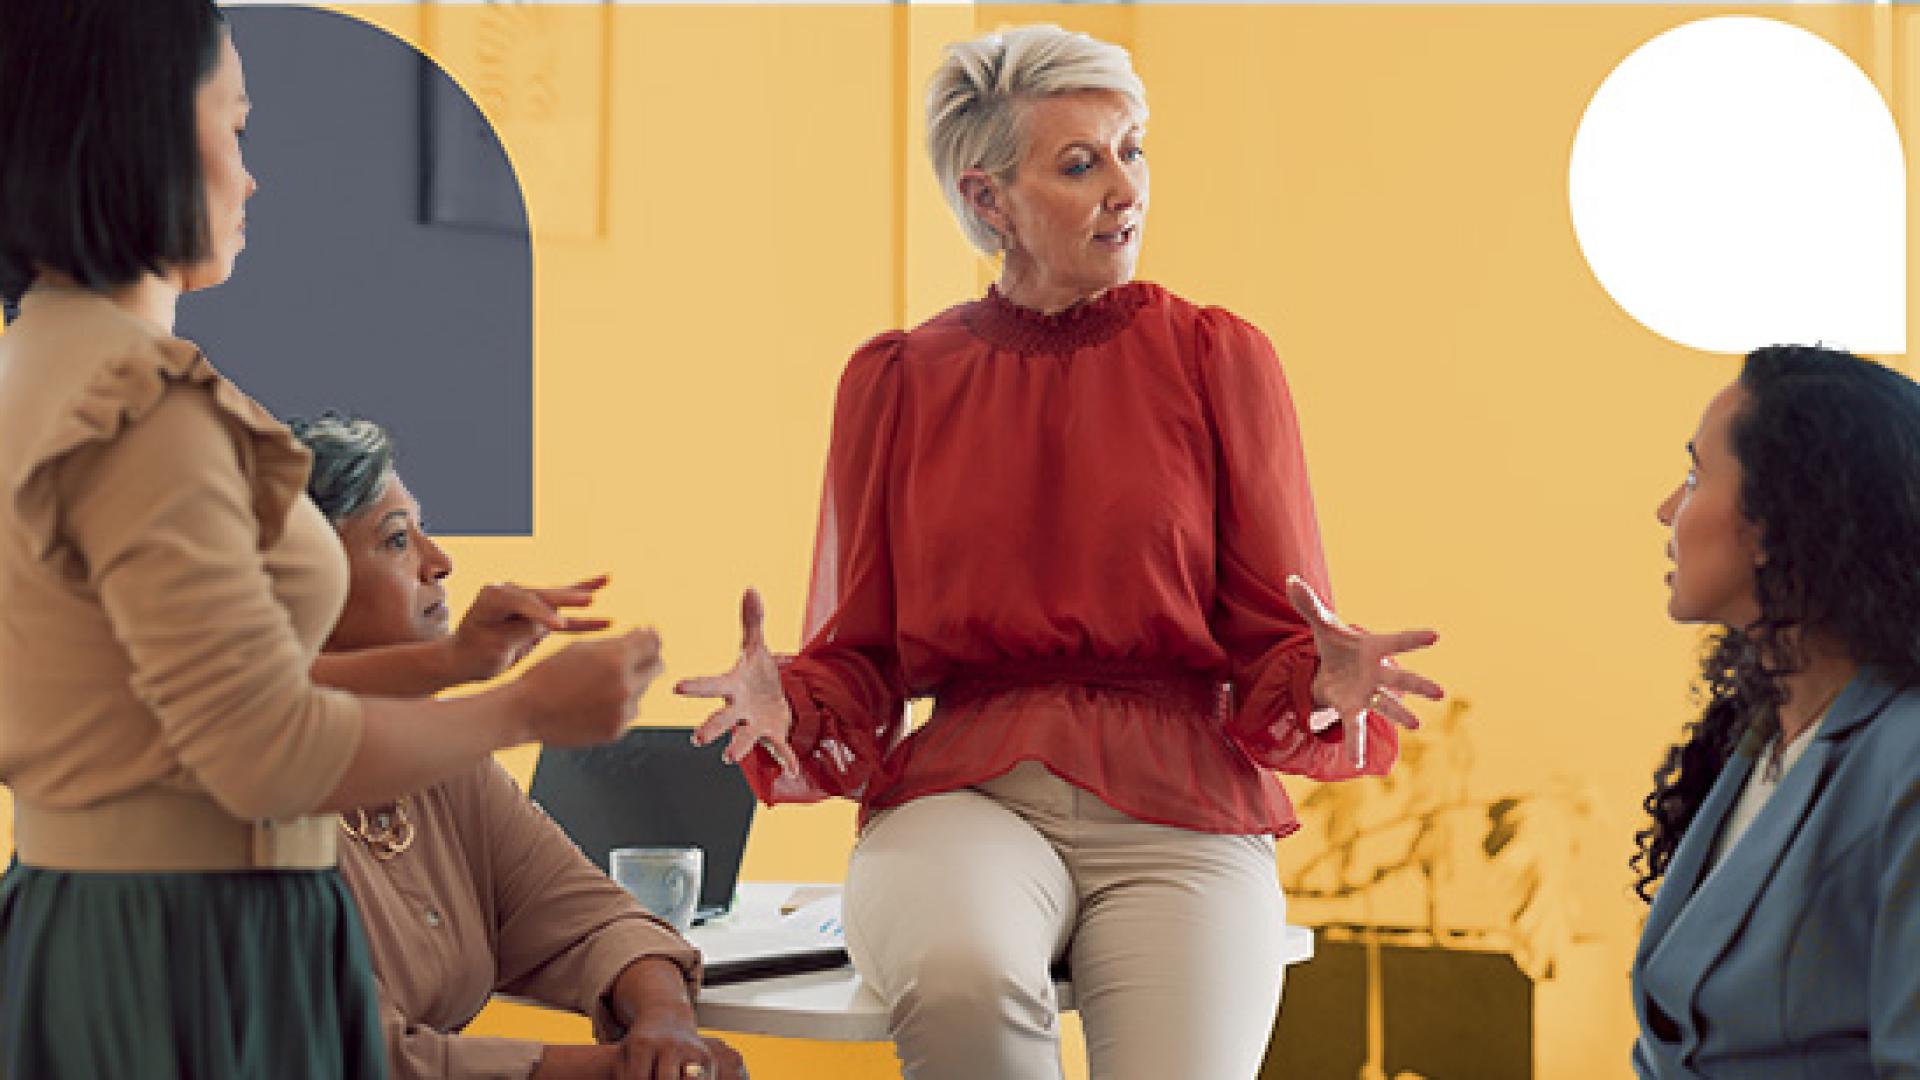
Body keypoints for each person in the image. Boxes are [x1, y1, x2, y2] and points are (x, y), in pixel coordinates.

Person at [676, 24, 1443, 1080]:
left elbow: (1275, 641)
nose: (1123, 188)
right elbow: (859, 656)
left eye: (1132, 150)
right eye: (1080, 164)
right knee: (962, 984)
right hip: (965, 798)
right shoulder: (898, 381)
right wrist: (789, 702)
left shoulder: (1220, 358)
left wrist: (1327, 677)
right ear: (987, 198)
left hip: (1180, 808)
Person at [0, 4, 660, 1076]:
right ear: (145, 134)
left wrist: (447, 664)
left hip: (104, 915)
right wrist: (528, 709)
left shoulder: (44, 372)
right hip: (199, 941)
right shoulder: (141, 412)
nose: (251, 177)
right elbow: (261, 752)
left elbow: (179, 697)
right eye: (237, 125)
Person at [295, 415, 746, 1080]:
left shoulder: (448, 766)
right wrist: (625, 1070)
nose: (439, 560)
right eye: (396, 540)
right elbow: (370, 1058)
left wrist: (667, 1024)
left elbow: (593, 917)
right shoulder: (245, 800)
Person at [1630, 345, 1920, 1077]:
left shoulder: (1907, 757)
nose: (1668, 508)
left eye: (1695, 475)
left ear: (1779, 519)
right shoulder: (1751, 740)